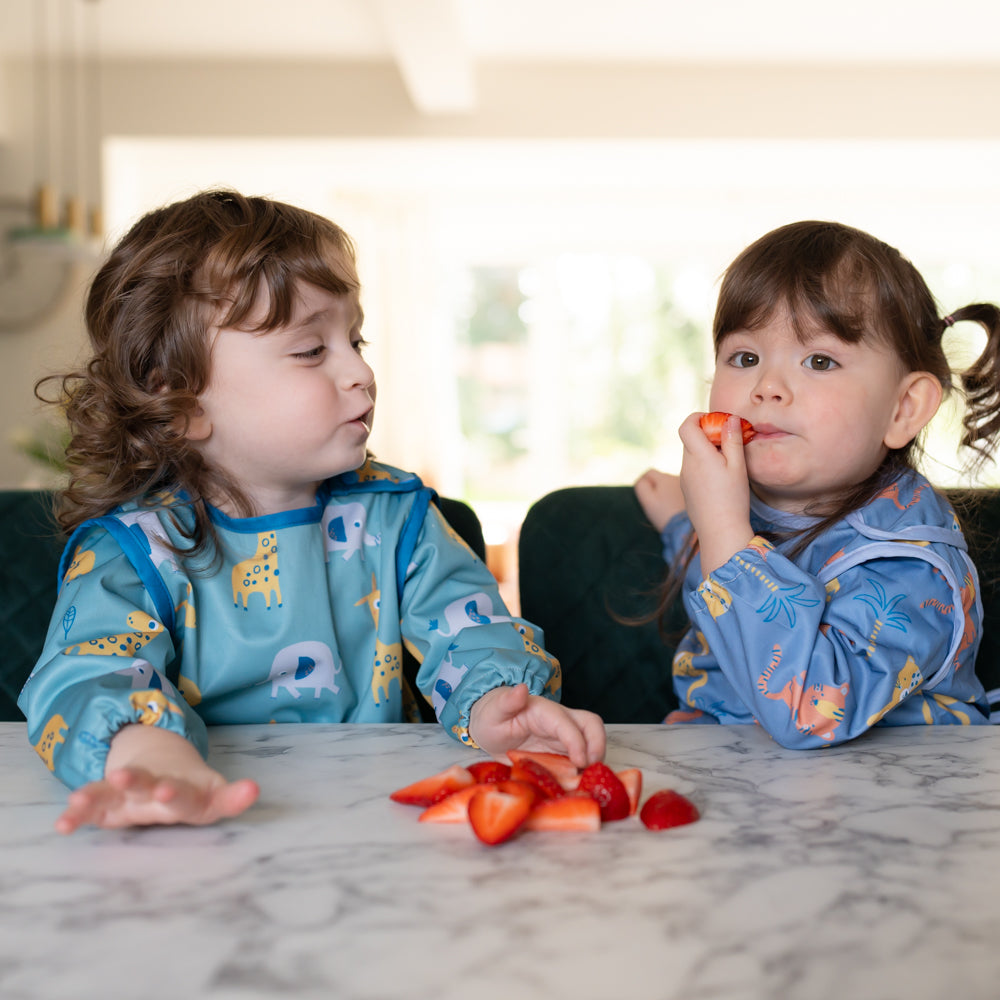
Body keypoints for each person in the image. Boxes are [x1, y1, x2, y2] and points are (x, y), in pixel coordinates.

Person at [20, 189, 605, 833]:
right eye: (311, 350)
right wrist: (148, 756)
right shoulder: (134, 548)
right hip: (213, 827)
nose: (360, 372)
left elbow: (471, 631)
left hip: (379, 826)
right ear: (180, 401)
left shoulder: (395, 516)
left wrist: (499, 700)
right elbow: (86, 678)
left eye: (356, 339)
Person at [634, 220, 1000, 748]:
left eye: (819, 361)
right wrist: (683, 522)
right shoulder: (733, 514)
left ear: (902, 409)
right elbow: (717, 565)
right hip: (732, 781)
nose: (767, 388)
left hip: (887, 806)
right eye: (745, 358)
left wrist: (717, 526)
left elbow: (809, 710)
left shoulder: (912, 565)